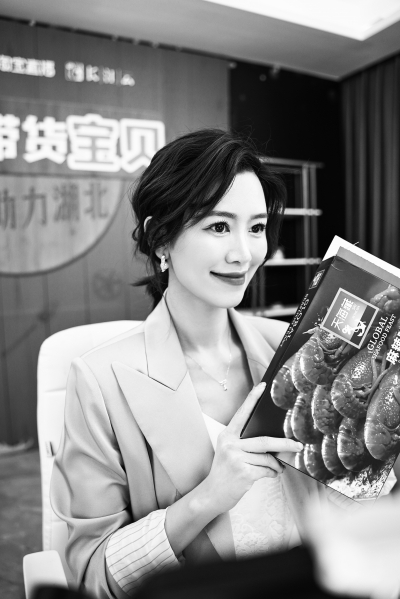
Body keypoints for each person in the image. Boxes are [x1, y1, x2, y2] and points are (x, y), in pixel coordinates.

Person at [50, 129, 331, 599]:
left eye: (257, 227)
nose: (243, 254)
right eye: (218, 227)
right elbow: (92, 577)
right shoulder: (99, 379)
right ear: (160, 239)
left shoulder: (294, 348)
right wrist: (207, 497)